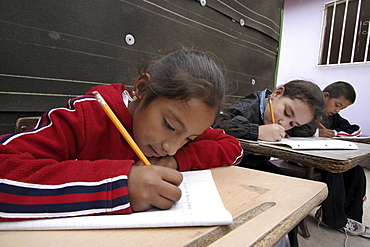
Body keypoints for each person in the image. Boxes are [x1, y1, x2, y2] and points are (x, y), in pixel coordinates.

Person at [0, 49, 243, 221]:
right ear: (142, 89)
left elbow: (232, 146)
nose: (172, 146)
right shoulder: (87, 117)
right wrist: (118, 186)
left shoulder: (181, 129)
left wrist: (176, 161)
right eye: (169, 126)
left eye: (189, 139)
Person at [287, 81, 369, 238]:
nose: (337, 110)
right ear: (325, 96)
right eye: (337, 104)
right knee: (334, 169)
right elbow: (292, 127)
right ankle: (331, 219)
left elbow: (355, 130)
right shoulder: (307, 107)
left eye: (342, 108)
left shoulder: (333, 117)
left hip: (322, 155)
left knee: (356, 170)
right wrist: (317, 133)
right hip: (300, 156)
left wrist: (335, 133)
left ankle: (351, 217)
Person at [215, 79, 325, 173]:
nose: (283, 123)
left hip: (256, 164)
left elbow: (306, 129)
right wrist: (257, 131)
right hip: (230, 167)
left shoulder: (284, 119)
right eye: (286, 112)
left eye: (293, 124)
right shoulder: (247, 107)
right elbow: (218, 125)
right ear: (277, 93)